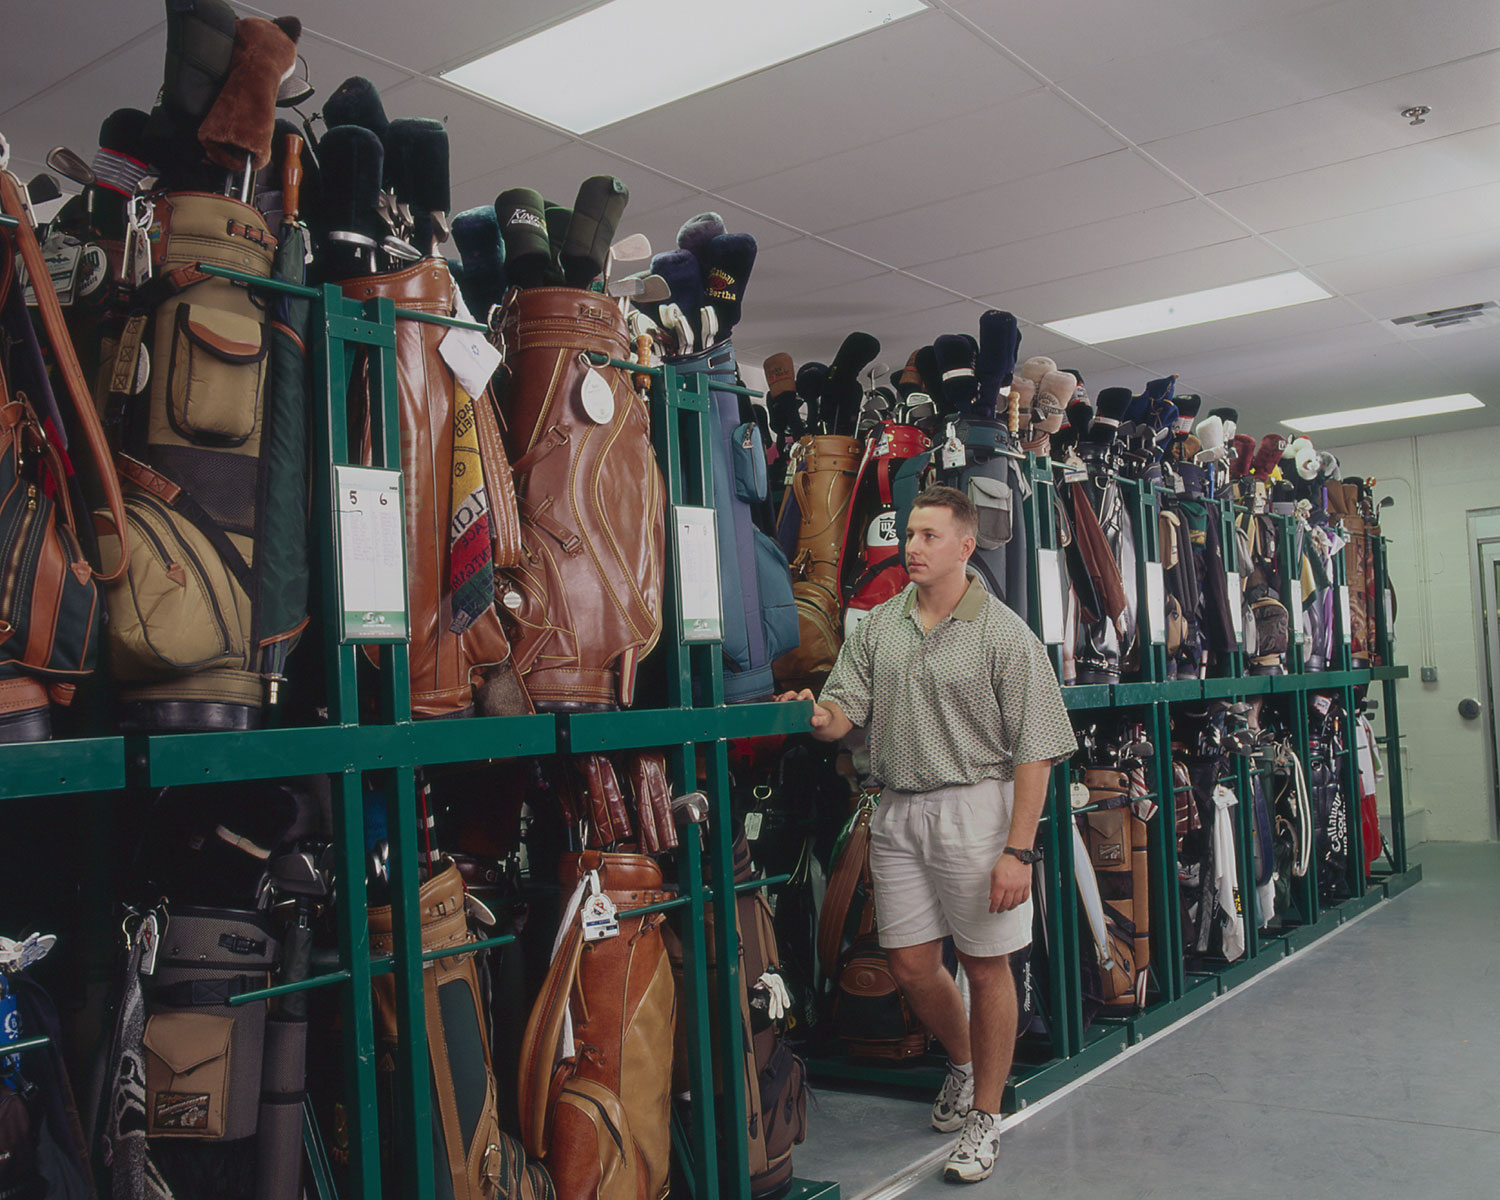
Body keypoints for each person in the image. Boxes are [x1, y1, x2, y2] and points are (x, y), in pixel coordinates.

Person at [776, 484, 1075, 1183]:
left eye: (929, 536)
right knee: (910, 963)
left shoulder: (1004, 634)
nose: (912, 546)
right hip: (897, 808)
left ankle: (986, 1118)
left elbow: (1038, 750)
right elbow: (845, 711)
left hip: (978, 809)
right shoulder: (879, 625)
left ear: (965, 547)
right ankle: (966, 1066)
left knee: (984, 963)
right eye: (910, 533)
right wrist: (813, 716)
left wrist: (1018, 851)